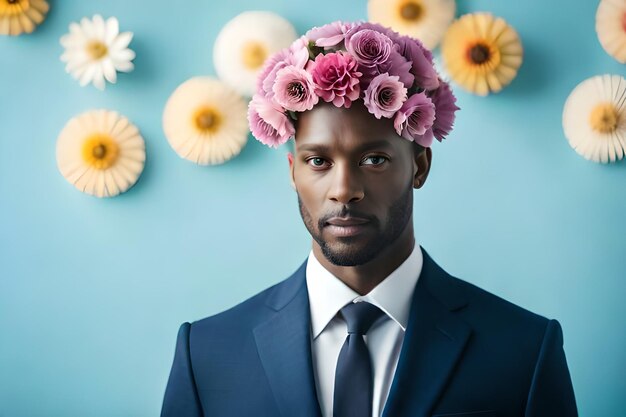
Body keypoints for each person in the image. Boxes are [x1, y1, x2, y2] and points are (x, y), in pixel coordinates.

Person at [161, 20, 577, 417]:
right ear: (292, 173)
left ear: (420, 166)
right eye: (318, 160)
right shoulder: (206, 354)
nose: (344, 189)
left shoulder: (523, 350)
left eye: (374, 159)